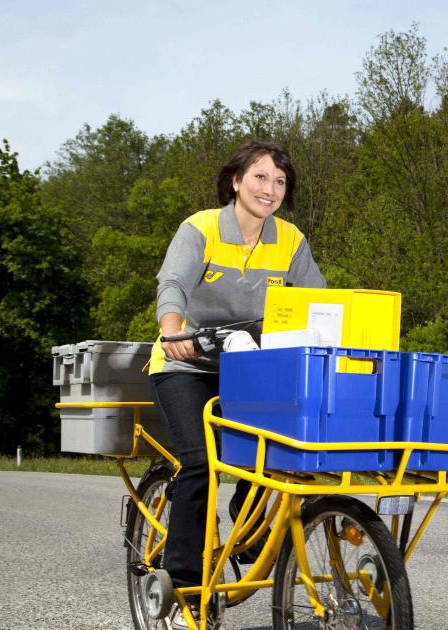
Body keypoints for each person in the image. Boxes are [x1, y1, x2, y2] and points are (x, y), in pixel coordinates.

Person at [147, 139, 325, 624]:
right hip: (185, 364)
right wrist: (171, 329)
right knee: (201, 464)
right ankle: (185, 588)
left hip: (248, 367)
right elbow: (174, 284)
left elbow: (321, 301)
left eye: (280, 182)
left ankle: (245, 535)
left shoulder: (290, 239)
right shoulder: (201, 228)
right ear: (236, 181)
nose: (270, 189)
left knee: (280, 453)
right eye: (261, 177)